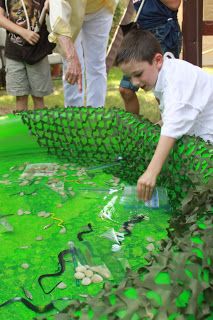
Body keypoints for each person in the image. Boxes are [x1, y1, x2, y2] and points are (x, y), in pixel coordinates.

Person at [116, 29, 213, 201]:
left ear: (158, 60)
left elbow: (173, 127)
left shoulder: (177, 80)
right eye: (130, 77)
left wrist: (151, 172)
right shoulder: (165, 73)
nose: (135, 83)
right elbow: (171, 117)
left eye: (138, 74)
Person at [48, 0, 118, 107]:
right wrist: (71, 57)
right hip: (70, 8)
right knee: (71, 66)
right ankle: (74, 115)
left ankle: (96, 115)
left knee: (96, 64)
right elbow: (59, 20)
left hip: (101, 6)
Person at [119, 0, 182, 114]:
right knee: (126, 89)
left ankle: (170, 128)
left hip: (162, 30)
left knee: (163, 90)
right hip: (139, 31)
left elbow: (175, 3)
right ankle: (134, 130)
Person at [0, 0, 55, 111]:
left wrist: (53, 5)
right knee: (20, 97)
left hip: (38, 53)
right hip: (15, 53)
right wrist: (22, 32)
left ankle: (40, 127)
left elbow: (58, 13)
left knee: (39, 97)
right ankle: (23, 127)